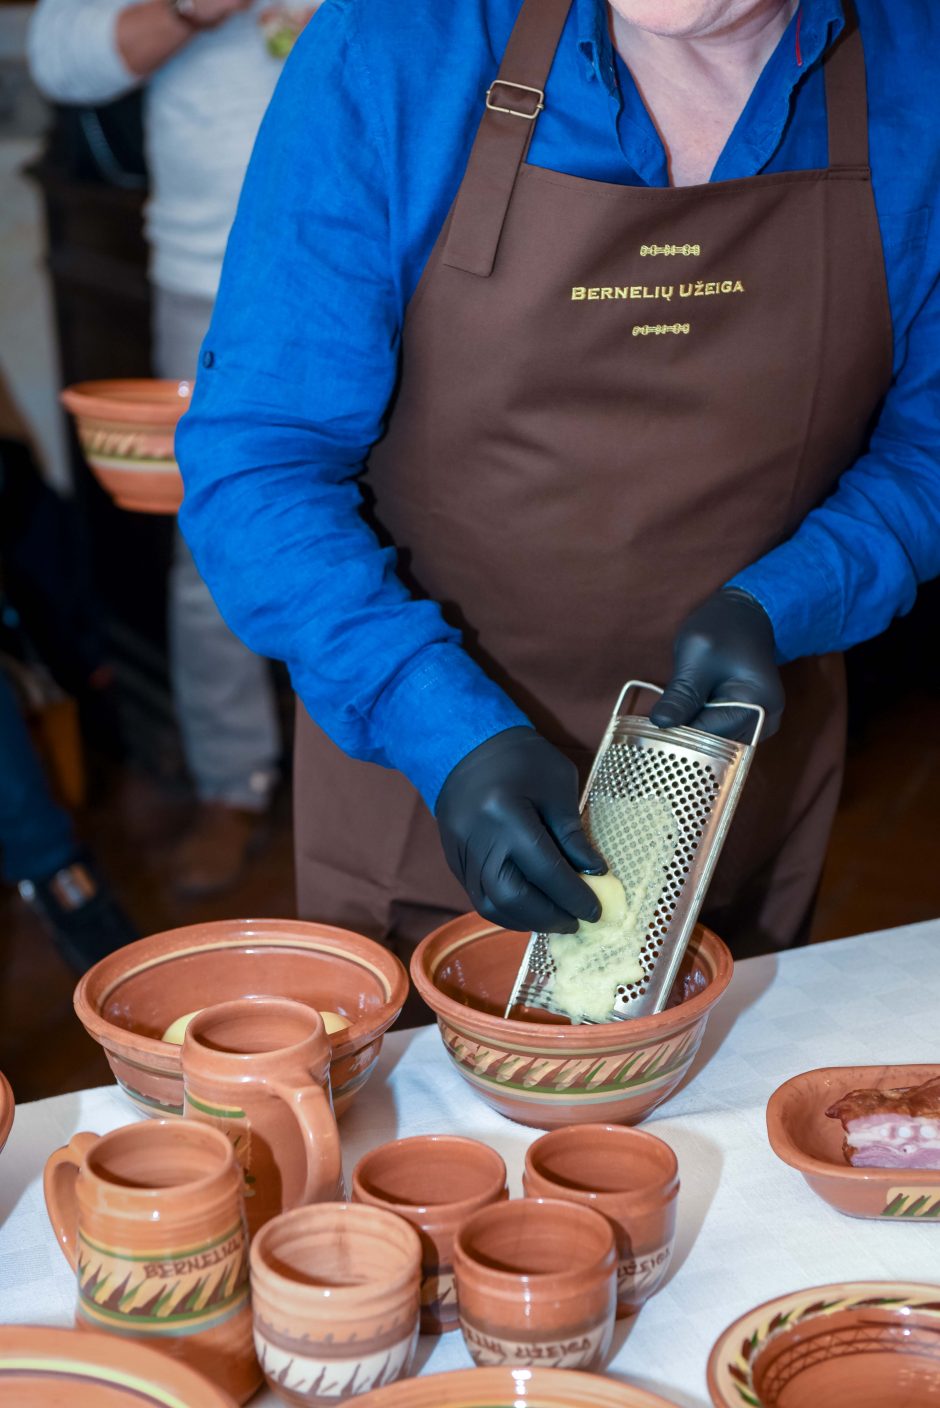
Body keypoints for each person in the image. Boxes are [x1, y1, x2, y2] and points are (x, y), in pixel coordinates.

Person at [177, 0, 940, 964]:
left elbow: (930, 446)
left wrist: (792, 597)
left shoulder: (919, 63)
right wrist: (438, 722)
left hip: (730, 777)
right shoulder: (402, 44)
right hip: (421, 768)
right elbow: (261, 459)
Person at [26, 0, 318, 895]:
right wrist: (193, 9)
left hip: (401, 258)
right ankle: (236, 785)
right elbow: (59, 61)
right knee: (213, 548)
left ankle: (396, 780)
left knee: (414, 518)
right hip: (207, 274)